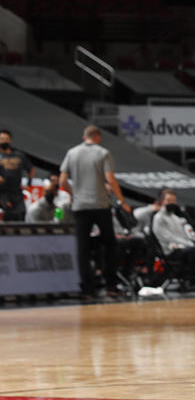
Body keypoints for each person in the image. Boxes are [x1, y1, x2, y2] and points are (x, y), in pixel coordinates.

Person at [59, 125, 131, 300]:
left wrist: (74, 194)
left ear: (84, 137)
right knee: (111, 245)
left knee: (82, 249)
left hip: (80, 206)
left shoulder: (72, 152)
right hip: (100, 205)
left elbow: (62, 181)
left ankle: (87, 290)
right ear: (98, 137)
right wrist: (122, 200)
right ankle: (111, 286)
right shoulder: (103, 153)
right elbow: (110, 179)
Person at [152, 189, 195, 287]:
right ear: (162, 202)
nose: (172, 203)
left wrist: (192, 243)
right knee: (194, 250)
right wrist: (189, 245)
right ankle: (190, 281)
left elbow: (186, 235)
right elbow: (168, 238)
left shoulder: (176, 217)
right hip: (170, 250)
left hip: (182, 247)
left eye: (174, 201)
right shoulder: (159, 218)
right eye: (169, 201)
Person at [0, 128, 33, 220]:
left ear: (10, 140)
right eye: (2, 139)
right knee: (8, 213)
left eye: (6, 139)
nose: (4, 141)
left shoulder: (18, 155)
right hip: (2, 192)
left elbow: (31, 168)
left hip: (17, 191)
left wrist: (29, 183)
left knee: (21, 213)